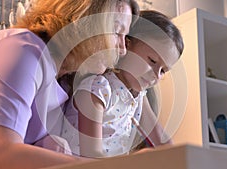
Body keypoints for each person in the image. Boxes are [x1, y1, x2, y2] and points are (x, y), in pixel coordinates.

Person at [0, 0, 139, 168]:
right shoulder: (23, 51)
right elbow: (1, 156)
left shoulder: (64, 81)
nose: (122, 49)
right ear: (84, 23)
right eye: (116, 32)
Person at [60, 10, 184, 158]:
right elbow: (90, 154)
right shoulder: (98, 89)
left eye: (163, 70)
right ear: (127, 44)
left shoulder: (137, 96)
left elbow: (162, 141)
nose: (156, 75)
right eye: (152, 61)